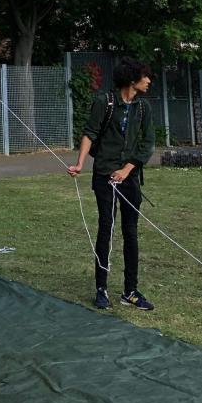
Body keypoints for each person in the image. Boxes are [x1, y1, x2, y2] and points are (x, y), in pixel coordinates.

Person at [67, 58, 155, 312]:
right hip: (104, 175)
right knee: (106, 228)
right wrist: (80, 164)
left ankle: (130, 291)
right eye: (145, 76)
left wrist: (128, 169)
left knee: (131, 232)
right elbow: (90, 133)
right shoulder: (104, 102)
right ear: (131, 79)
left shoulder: (144, 108)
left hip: (131, 178)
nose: (149, 81)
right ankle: (101, 288)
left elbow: (147, 143)